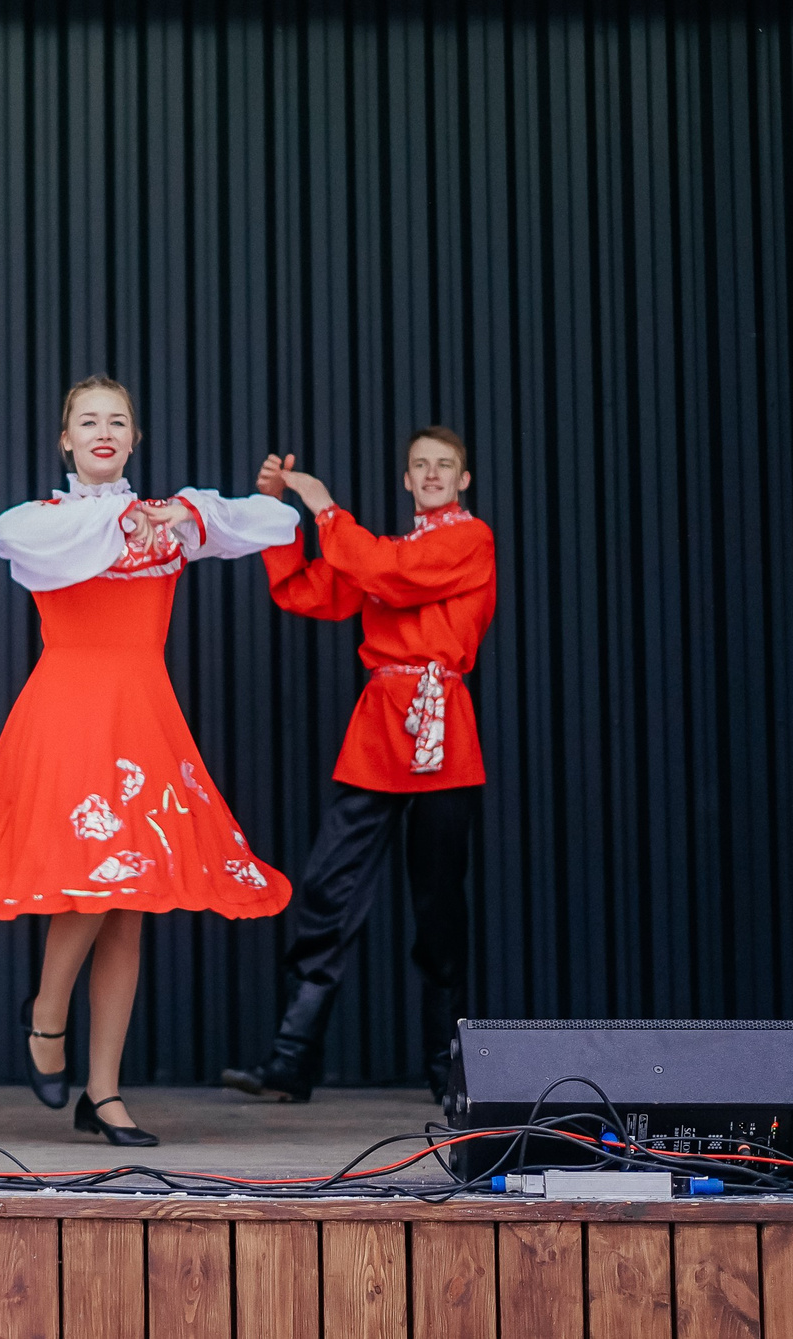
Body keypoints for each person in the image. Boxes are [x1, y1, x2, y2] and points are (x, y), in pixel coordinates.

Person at [0, 376, 299, 1146]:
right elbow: (9, 537)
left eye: (117, 421)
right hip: (68, 712)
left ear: (135, 438)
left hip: (143, 714)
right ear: (65, 440)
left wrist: (189, 510)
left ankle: (103, 1091)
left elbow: (275, 520)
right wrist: (131, 520)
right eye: (87, 421)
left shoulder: (168, 519)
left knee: (130, 904)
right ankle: (47, 1016)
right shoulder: (51, 522)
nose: (102, 431)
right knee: (93, 883)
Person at [220, 429, 497, 1105]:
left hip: (440, 727)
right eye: (420, 464)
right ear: (406, 480)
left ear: (462, 480)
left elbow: (383, 572)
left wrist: (322, 505)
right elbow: (309, 590)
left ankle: (447, 1068)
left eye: (444, 466)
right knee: (328, 888)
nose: (431, 474)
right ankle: (291, 1060)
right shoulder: (385, 552)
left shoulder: (469, 538)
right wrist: (283, 514)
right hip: (380, 723)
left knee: (438, 907)